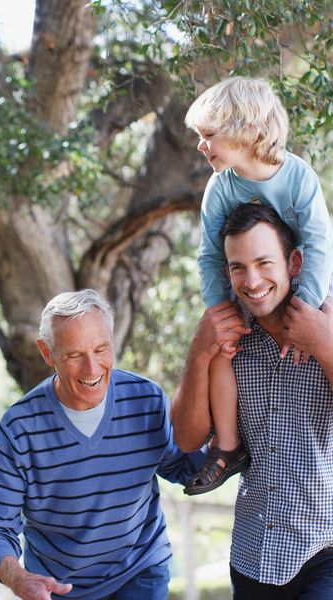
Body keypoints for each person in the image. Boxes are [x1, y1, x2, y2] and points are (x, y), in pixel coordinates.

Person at [0, 289, 205, 600]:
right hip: (58, 586)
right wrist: (18, 578)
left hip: (140, 569)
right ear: (46, 352)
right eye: (73, 355)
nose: (92, 370)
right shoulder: (19, 429)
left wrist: (231, 440)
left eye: (101, 350)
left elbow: (182, 468)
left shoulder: (146, 399)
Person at [171, 203, 333, 598]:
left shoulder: (326, 317)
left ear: (294, 262)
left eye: (264, 262)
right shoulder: (226, 332)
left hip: (325, 549)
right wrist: (199, 351)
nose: (252, 280)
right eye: (237, 266)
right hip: (252, 554)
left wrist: (323, 346)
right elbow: (188, 439)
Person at [182, 76, 333, 495]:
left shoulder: (298, 177)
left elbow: (320, 243)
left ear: (246, 131)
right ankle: (227, 446)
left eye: (209, 135)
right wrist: (218, 312)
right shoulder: (221, 187)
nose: (201, 145)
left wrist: (308, 308)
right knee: (219, 350)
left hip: (306, 280)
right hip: (250, 283)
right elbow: (211, 254)